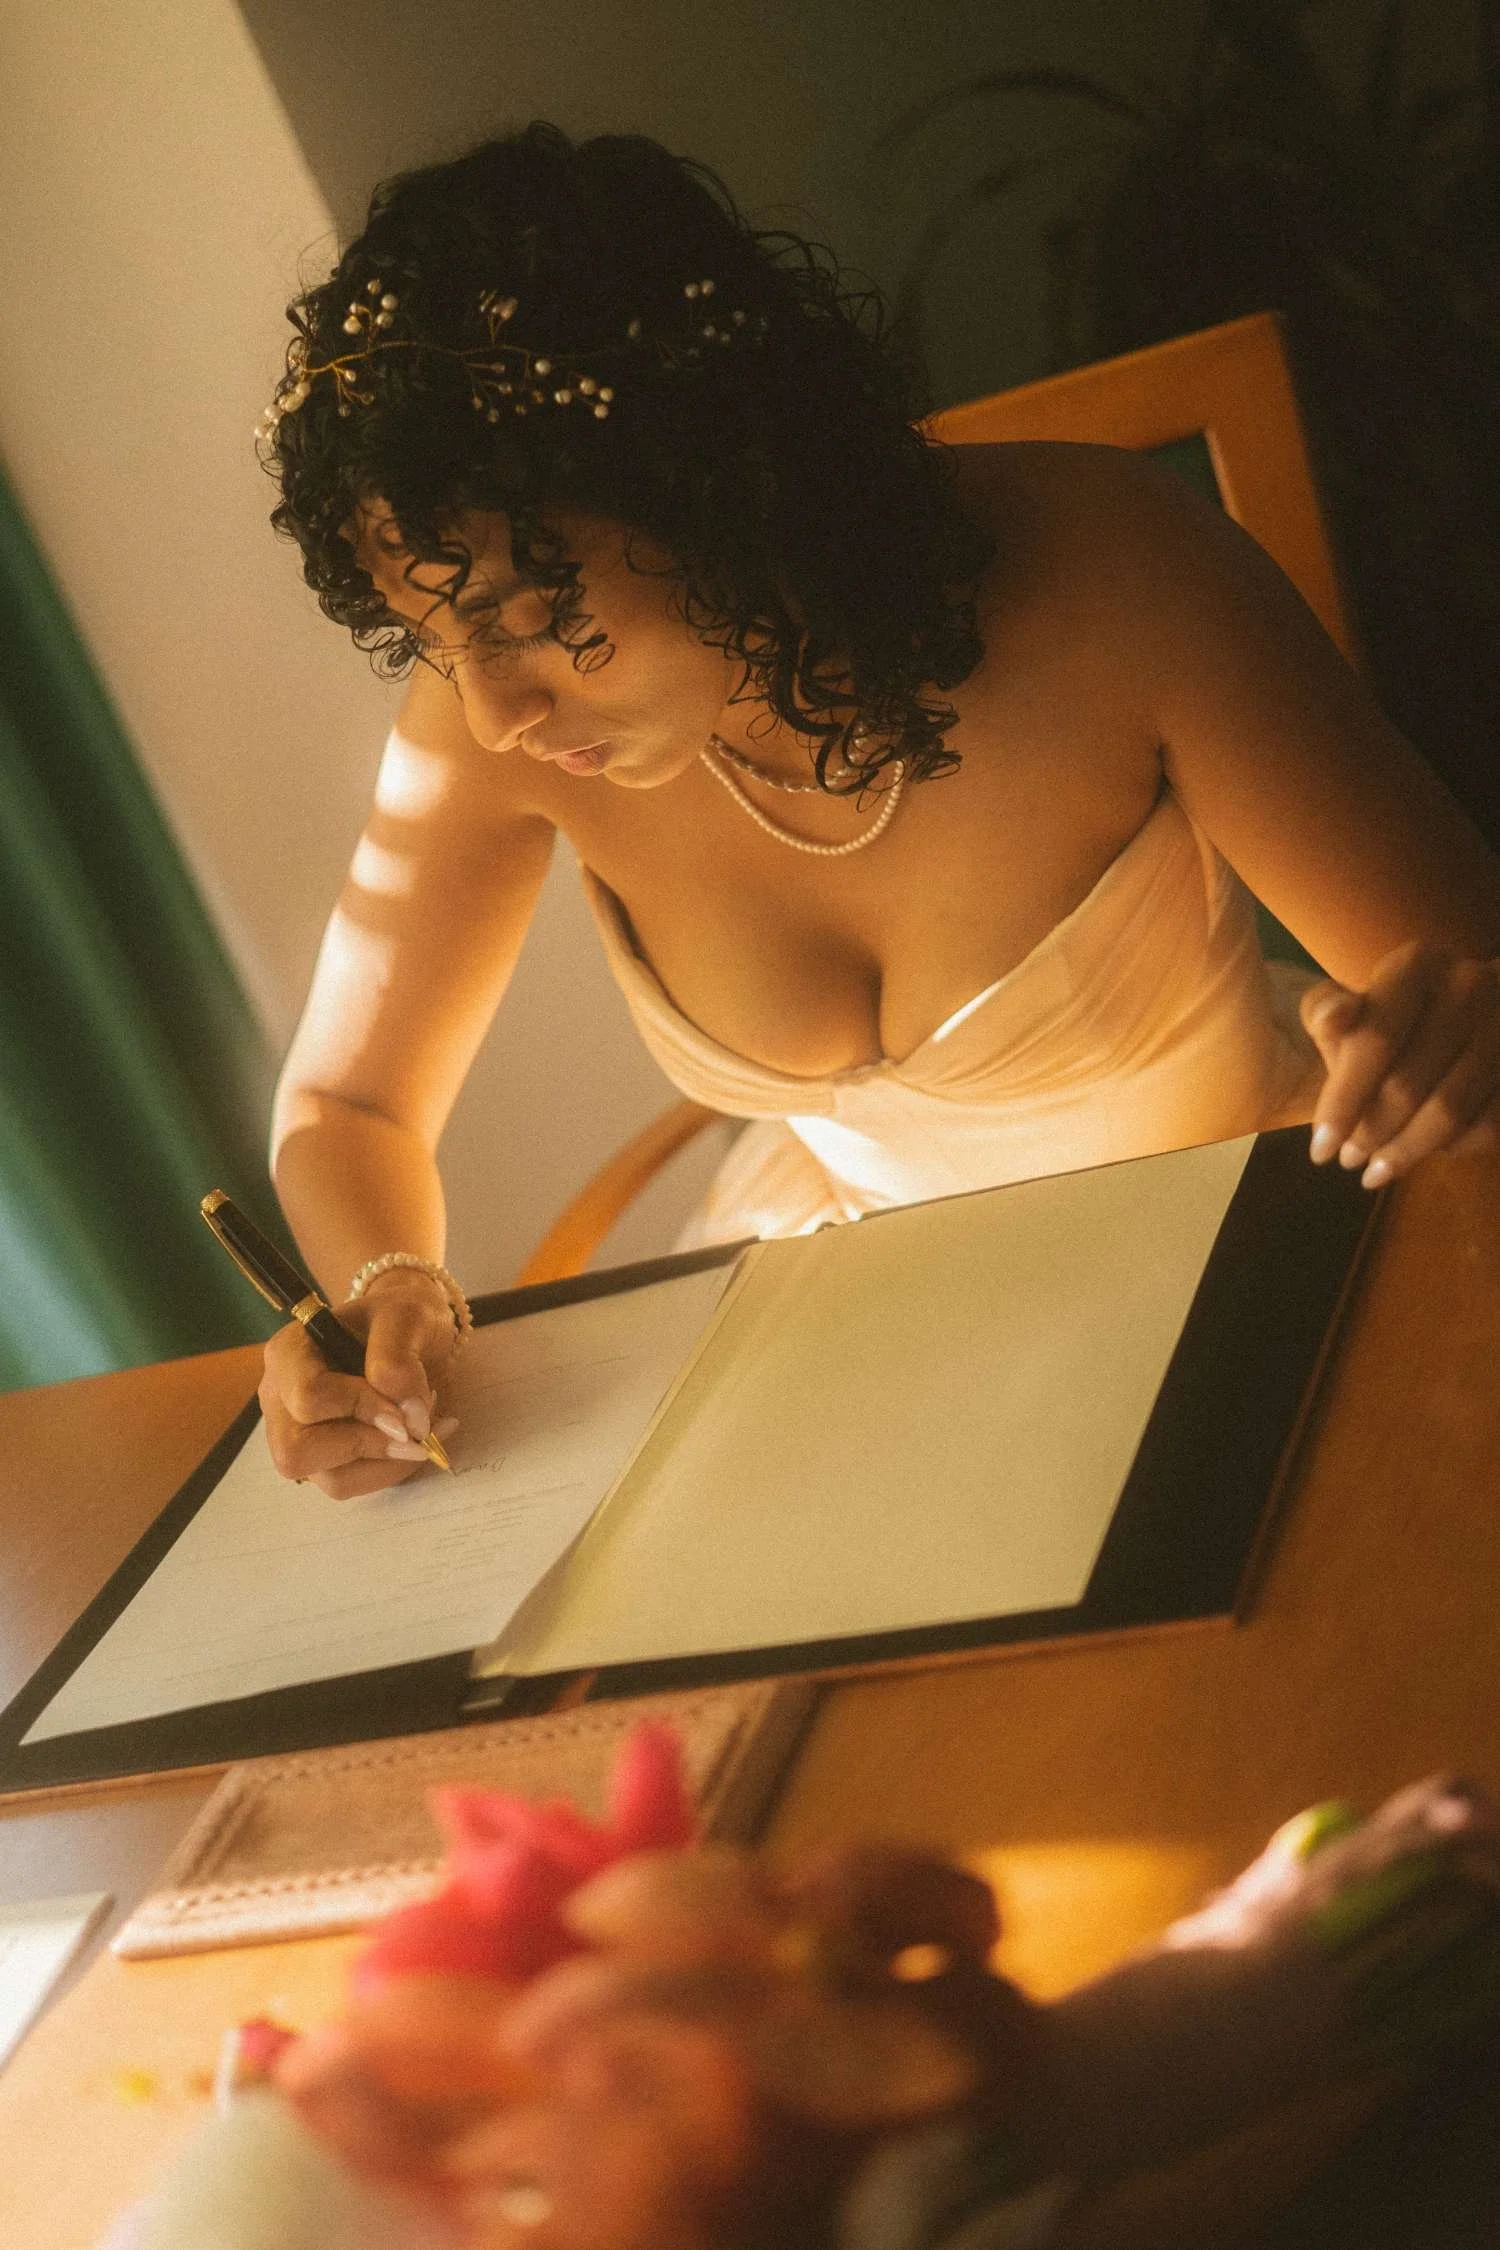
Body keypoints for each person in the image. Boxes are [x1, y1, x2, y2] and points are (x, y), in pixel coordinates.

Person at [255, 123, 1500, 1496]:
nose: (494, 715)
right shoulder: (499, 734)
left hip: (1230, 1266)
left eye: (540, 617)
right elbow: (350, 1100)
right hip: (858, 1338)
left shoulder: (1117, 576)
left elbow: (1462, 983)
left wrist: (1441, 1036)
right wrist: (385, 1285)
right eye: (435, 644)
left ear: (715, 485)